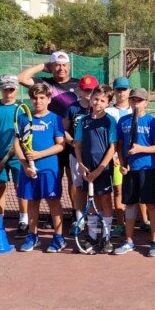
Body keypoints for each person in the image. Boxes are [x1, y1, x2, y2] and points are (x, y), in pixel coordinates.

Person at [17, 51, 80, 223]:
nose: (61, 68)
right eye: (57, 65)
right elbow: (21, 77)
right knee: (54, 178)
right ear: (51, 67)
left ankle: (76, 215)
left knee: (73, 180)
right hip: (49, 140)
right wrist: (42, 66)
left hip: (72, 140)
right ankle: (55, 215)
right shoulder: (44, 84)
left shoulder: (77, 84)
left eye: (64, 64)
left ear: (69, 66)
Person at [113, 88, 155, 257]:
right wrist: (122, 164)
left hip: (147, 169)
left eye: (140, 100)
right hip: (130, 170)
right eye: (133, 100)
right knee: (129, 205)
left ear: (146, 103)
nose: (136, 103)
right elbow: (120, 147)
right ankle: (128, 241)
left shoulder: (151, 122)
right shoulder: (123, 121)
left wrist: (141, 148)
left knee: (151, 206)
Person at [16, 84, 66, 253]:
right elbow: (17, 144)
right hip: (29, 170)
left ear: (49, 99)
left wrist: (39, 155)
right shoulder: (23, 118)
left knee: (53, 202)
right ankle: (32, 236)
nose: (38, 101)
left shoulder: (54, 119)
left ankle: (58, 237)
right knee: (33, 202)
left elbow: (60, 145)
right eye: (35, 98)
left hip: (49, 169)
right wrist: (25, 165)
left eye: (42, 97)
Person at [0, 74, 29, 240]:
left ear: (16, 89)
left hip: (18, 158)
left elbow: (26, 134)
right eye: (5, 88)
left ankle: (24, 222)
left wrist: (19, 152)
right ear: (0, 89)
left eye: (11, 88)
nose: (8, 92)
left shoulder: (22, 109)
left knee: (20, 188)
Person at [73, 84, 118, 254]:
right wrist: (81, 165)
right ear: (91, 99)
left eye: (103, 100)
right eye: (96, 99)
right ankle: (92, 236)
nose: (98, 103)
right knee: (90, 202)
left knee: (105, 200)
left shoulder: (110, 121)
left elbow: (112, 147)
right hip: (87, 168)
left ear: (108, 103)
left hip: (103, 169)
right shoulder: (83, 121)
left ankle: (106, 237)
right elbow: (78, 145)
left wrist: (100, 168)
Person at [105, 76, 137, 238]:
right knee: (118, 190)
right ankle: (120, 223)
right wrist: (116, 156)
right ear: (114, 91)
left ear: (129, 91)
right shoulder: (108, 111)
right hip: (117, 158)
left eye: (124, 89)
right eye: (118, 89)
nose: (121, 92)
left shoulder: (135, 109)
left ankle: (143, 221)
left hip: (136, 159)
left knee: (136, 192)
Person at [64, 75, 97, 233]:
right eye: (85, 89)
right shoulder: (72, 108)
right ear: (80, 90)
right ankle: (79, 219)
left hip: (95, 155)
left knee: (96, 188)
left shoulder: (99, 108)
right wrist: (72, 143)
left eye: (91, 90)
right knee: (78, 186)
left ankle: (94, 220)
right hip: (75, 154)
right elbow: (64, 130)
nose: (88, 93)